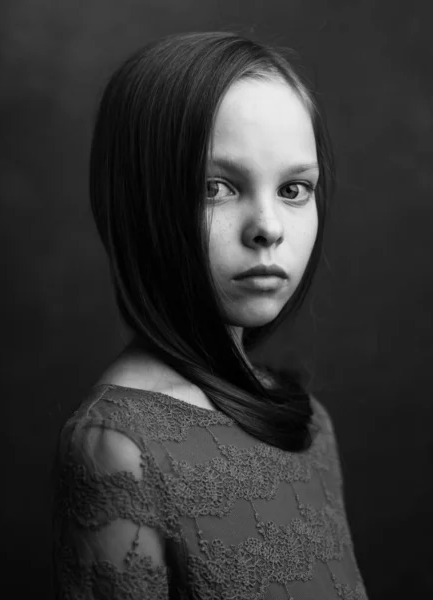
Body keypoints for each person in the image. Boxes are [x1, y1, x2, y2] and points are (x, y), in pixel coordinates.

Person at [51, 31, 368, 600]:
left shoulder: (305, 420)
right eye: (217, 187)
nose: (268, 227)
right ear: (141, 202)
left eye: (295, 189)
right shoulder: (117, 447)